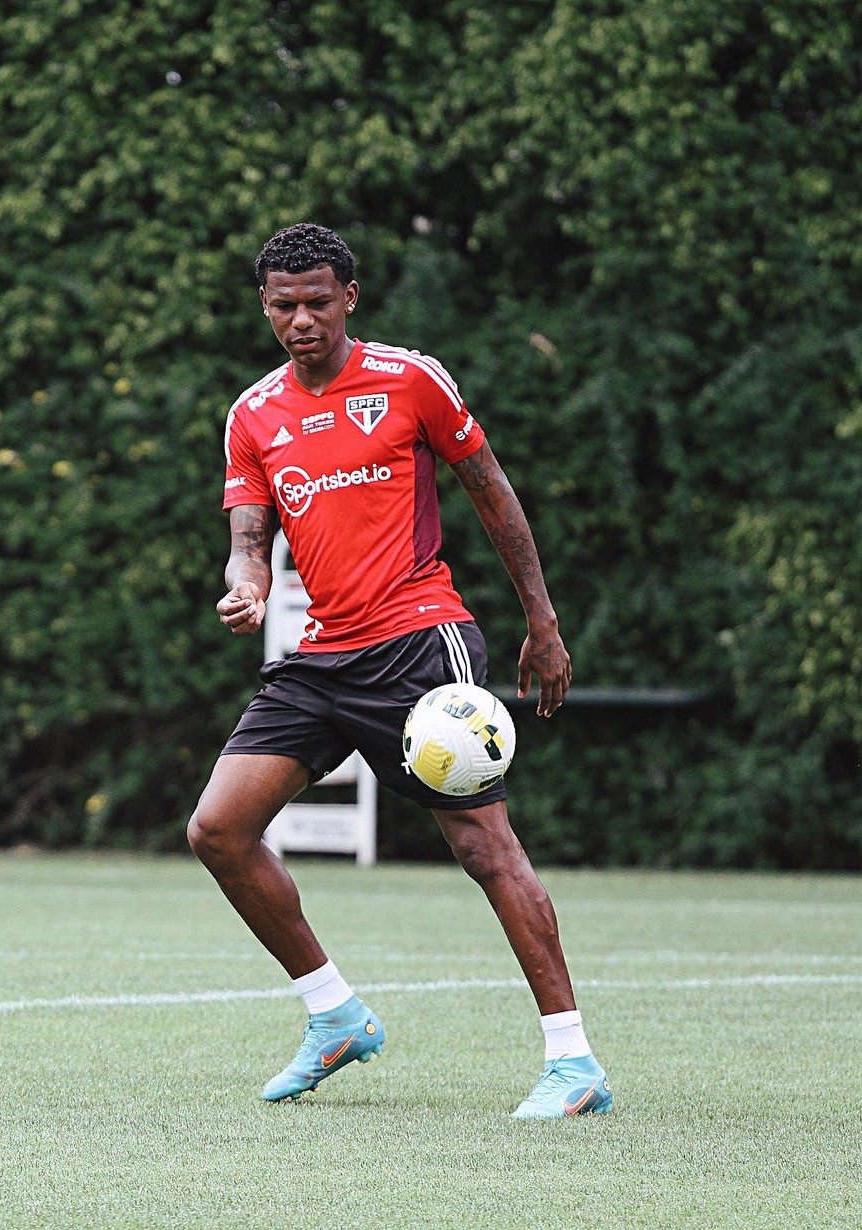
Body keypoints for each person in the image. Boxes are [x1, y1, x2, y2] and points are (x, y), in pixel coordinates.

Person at [187, 222, 613, 1119]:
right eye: (282, 305)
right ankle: (333, 1015)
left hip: (423, 642)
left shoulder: (411, 380)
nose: (300, 320)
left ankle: (575, 1063)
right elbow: (248, 544)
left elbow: (491, 491)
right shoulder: (253, 414)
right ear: (263, 307)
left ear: (350, 298)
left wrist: (542, 619)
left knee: (482, 849)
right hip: (322, 657)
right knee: (218, 830)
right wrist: (247, 587)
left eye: (316, 302)